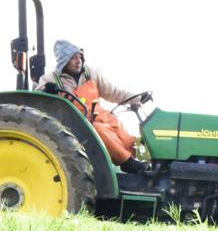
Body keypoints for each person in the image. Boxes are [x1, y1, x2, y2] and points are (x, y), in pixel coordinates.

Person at [36, 40, 152, 174]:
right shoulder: (51, 79)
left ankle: (152, 163)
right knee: (98, 131)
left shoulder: (91, 73)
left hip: (104, 117)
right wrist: (46, 90)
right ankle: (127, 163)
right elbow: (38, 98)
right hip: (80, 124)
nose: (78, 61)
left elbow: (112, 92)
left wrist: (137, 98)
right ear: (63, 60)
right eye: (73, 58)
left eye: (80, 57)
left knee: (130, 140)